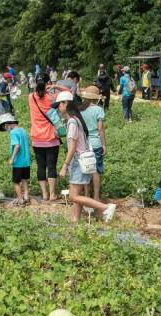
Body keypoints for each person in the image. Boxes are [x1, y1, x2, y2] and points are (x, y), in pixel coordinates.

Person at [53, 91, 117, 222]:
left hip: (78, 162)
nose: (57, 108)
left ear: (65, 103)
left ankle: (106, 207)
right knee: (77, 195)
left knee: (73, 197)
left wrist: (64, 166)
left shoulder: (72, 122)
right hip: (84, 161)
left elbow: (72, 147)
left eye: (58, 105)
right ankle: (75, 221)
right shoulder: (77, 119)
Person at [28, 73, 61, 201]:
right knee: (51, 166)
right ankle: (52, 194)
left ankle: (44, 194)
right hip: (51, 137)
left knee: (41, 166)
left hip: (36, 137)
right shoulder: (53, 97)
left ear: (35, 83)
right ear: (48, 83)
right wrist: (55, 86)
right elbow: (70, 91)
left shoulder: (31, 97)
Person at [80, 86, 107, 201]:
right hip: (95, 143)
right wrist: (104, 144)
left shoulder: (80, 109)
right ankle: (96, 197)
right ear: (96, 98)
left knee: (85, 169)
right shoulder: (98, 110)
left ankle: (86, 195)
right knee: (95, 171)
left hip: (83, 143)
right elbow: (100, 129)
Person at [0, 113, 31, 205]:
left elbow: (17, 145)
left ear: (7, 124)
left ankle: (21, 200)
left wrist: (12, 158)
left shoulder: (13, 132)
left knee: (16, 182)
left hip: (18, 162)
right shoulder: (23, 130)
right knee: (24, 179)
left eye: (5, 127)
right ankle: (26, 197)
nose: (6, 129)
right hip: (26, 161)